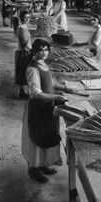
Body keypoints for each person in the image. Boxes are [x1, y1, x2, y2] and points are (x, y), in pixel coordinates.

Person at [22, 39, 69, 183]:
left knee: (47, 137)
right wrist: (56, 96)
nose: (44, 53)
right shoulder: (32, 68)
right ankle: (33, 169)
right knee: (37, 138)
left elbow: (50, 82)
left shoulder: (44, 64)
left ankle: (42, 165)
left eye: (46, 49)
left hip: (48, 107)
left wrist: (65, 88)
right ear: (35, 51)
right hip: (38, 109)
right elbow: (36, 92)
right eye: (40, 50)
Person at [15, 10, 32, 99]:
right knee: (22, 72)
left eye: (29, 17)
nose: (27, 19)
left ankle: (22, 91)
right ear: (22, 18)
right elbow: (25, 44)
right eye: (25, 17)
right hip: (23, 53)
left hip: (21, 52)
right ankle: (21, 93)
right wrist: (33, 51)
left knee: (22, 72)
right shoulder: (22, 29)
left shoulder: (22, 27)